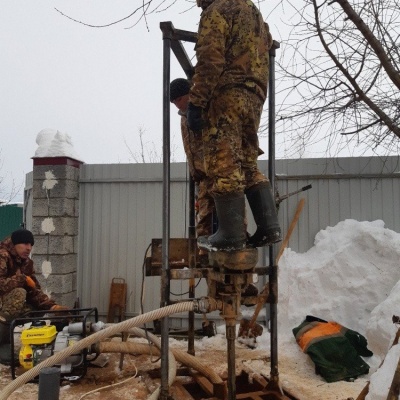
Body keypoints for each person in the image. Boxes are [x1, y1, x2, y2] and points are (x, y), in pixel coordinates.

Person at [186, 0, 281, 251]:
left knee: (223, 163)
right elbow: (266, 47)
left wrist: (196, 102)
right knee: (247, 163)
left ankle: (231, 235)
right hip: (255, 97)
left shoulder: (217, 10)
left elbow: (210, 60)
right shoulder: (254, 13)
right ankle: (269, 227)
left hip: (226, 96)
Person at [0, 229, 69, 361]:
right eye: (25, 244)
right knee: (19, 294)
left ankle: (35, 343)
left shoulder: (26, 263)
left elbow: (34, 291)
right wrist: (22, 279)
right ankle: (2, 343)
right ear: (15, 243)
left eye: (31, 245)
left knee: (35, 309)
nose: (29, 248)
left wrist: (52, 307)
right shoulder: (2, 255)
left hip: (5, 306)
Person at [170, 78, 215, 263]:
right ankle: (205, 256)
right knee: (203, 218)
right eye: (173, 102)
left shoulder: (204, 109)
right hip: (200, 175)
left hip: (215, 171)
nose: (176, 105)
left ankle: (230, 255)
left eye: (179, 99)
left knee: (223, 216)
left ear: (189, 94)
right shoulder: (184, 117)